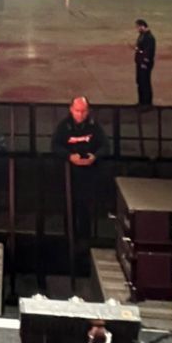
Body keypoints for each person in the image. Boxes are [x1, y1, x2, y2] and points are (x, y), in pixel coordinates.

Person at [51, 96, 109, 242]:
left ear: (88, 111)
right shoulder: (64, 126)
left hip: (89, 174)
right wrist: (69, 156)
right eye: (77, 111)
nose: (80, 115)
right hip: (68, 174)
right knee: (69, 206)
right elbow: (55, 146)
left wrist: (94, 157)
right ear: (71, 110)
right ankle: (68, 236)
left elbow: (105, 146)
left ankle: (86, 238)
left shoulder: (94, 126)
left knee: (86, 207)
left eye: (83, 111)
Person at [134, 19, 156, 106]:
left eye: (138, 27)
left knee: (145, 82)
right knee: (140, 81)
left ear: (142, 26)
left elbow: (148, 52)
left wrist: (144, 63)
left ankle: (147, 103)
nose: (137, 29)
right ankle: (141, 101)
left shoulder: (149, 37)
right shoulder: (142, 36)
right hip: (139, 62)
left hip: (144, 64)